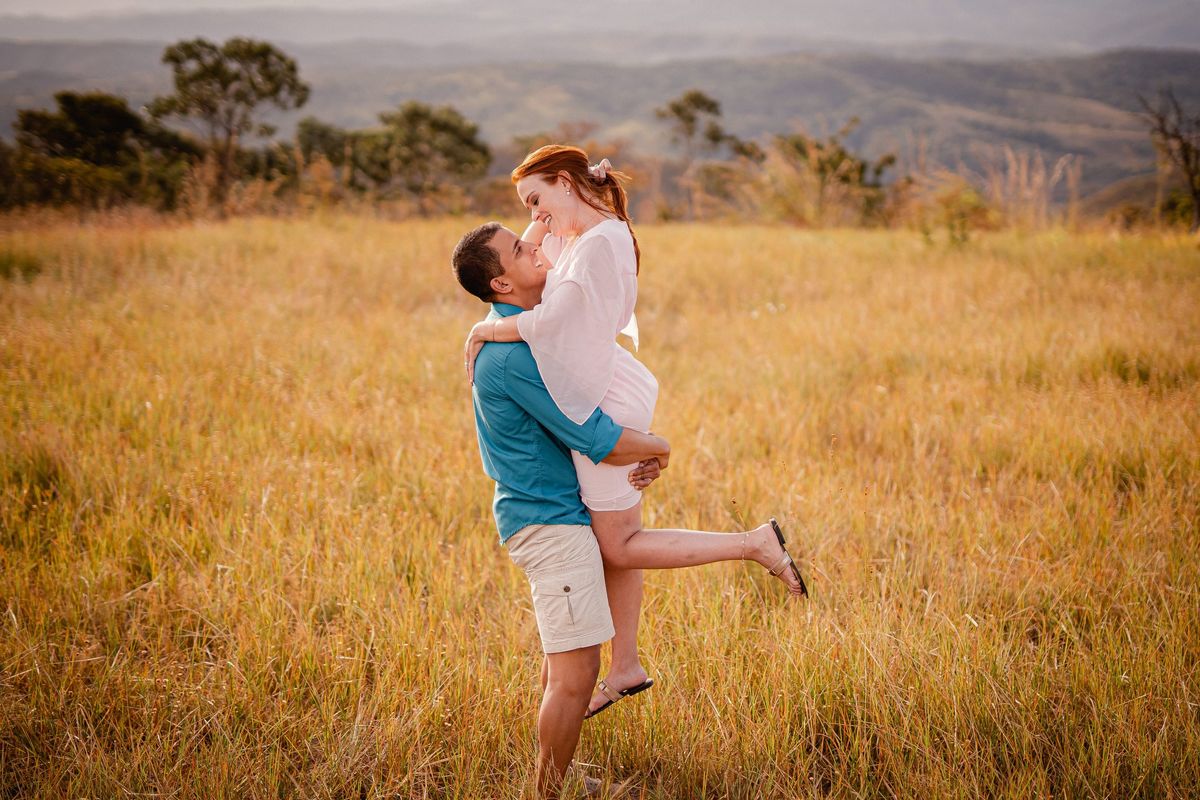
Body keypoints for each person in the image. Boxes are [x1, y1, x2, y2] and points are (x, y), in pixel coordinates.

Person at [462, 146, 807, 717]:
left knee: (618, 544)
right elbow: (525, 255)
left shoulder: (595, 244)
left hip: (603, 394)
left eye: (536, 201)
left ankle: (754, 544)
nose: (535, 222)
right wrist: (547, 211)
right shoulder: (588, 231)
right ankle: (624, 664)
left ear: (566, 183)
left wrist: (485, 330)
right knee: (613, 544)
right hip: (608, 381)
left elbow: (551, 317)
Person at [452, 221, 670, 799]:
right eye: (520, 248)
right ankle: (545, 792)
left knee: (562, 666)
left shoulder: (515, 331)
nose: (535, 245)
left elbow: (527, 252)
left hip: (550, 515)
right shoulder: (512, 358)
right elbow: (593, 436)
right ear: (502, 282)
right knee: (576, 677)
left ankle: (555, 776)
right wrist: (658, 447)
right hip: (549, 524)